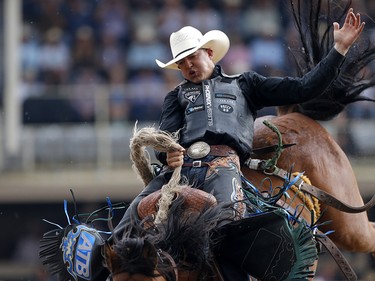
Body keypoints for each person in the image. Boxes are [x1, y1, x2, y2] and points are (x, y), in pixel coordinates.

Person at [112, 8, 365, 280]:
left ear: (209, 53)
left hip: (222, 167)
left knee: (227, 231)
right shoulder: (175, 97)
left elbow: (303, 88)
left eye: (192, 57)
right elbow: (167, 136)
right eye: (182, 63)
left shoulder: (246, 84)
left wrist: (339, 48)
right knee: (124, 230)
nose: (188, 66)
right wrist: (168, 156)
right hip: (177, 173)